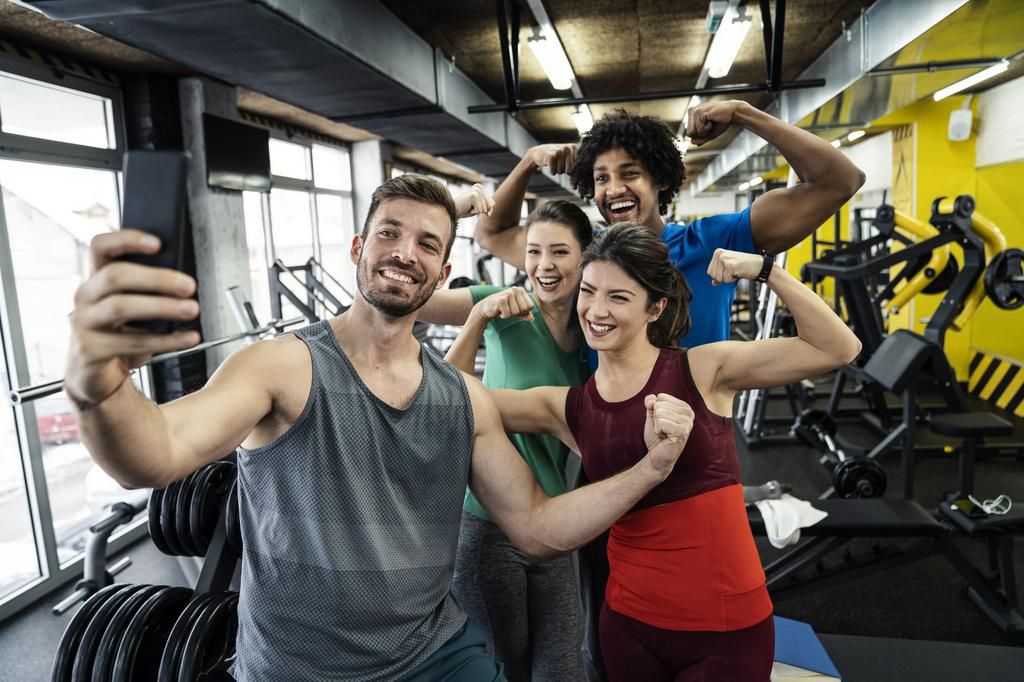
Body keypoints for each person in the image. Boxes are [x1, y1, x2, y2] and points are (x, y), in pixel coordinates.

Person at [63, 175, 693, 682]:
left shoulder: (463, 400)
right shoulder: (282, 365)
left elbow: (536, 527)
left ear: (444, 274)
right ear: (360, 249)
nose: (404, 252)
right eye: (389, 232)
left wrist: (650, 469)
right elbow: (154, 454)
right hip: (299, 670)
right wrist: (99, 384)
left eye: (427, 244)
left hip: (435, 655)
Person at [473, 104, 866, 678]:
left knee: (702, 597)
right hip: (601, 446)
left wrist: (745, 114)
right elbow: (493, 233)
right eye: (601, 177)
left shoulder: (711, 240)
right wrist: (531, 163)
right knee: (610, 621)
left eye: (629, 172)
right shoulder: (592, 259)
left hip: (697, 436)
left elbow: (839, 181)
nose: (613, 189)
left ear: (660, 178)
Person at [418, 200, 592, 681]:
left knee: (562, 667)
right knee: (505, 667)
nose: (545, 265)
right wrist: (478, 315)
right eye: (534, 252)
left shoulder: (594, 330)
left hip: (554, 522)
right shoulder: (502, 302)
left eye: (560, 252)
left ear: (584, 258)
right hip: (488, 523)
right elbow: (445, 400)